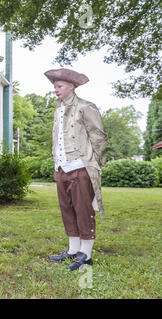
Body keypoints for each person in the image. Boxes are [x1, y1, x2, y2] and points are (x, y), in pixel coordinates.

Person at [44, 68, 107, 271]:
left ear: (72, 86)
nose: (56, 90)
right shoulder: (57, 110)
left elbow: (98, 136)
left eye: (59, 86)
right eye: (54, 87)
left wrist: (91, 162)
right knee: (67, 210)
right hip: (61, 168)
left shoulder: (86, 107)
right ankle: (73, 250)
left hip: (80, 167)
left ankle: (85, 254)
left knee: (83, 210)